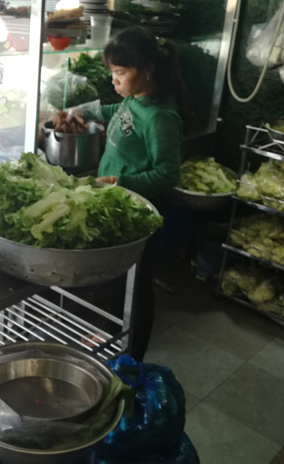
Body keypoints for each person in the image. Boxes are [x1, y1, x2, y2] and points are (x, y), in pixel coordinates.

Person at [57, 25, 195, 360]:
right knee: (115, 280)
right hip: (117, 203)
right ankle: (108, 342)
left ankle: (133, 355)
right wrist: (80, 111)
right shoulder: (133, 100)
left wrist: (121, 183)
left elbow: (167, 172)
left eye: (120, 72)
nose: (114, 80)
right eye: (112, 72)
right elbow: (113, 114)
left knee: (137, 284)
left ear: (147, 70)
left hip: (140, 211)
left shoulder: (160, 116)